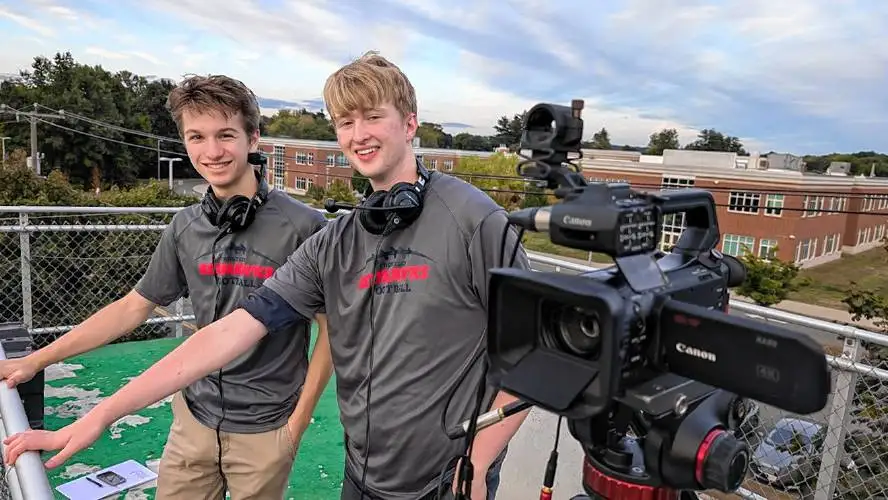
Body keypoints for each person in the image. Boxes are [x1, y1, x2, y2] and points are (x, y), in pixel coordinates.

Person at [3, 52, 531, 500]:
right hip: (365, 470)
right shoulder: (338, 239)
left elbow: (534, 351)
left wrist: (480, 462)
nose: (358, 135)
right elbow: (229, 331)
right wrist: (102, 415)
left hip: (450, 474)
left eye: (373, 117)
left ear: (410, 123)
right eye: (345, 123)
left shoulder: (473, 218)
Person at [0, 74, 333, 500]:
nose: (212, 151)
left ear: (254, 138)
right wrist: (36, 360)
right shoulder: (185, 227)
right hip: (192, 419)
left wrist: (298, 422)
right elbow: (133, 307)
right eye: (197, 136)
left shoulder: (305, 225)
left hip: (267, 428)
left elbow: (330, 329)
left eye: (226, 135)